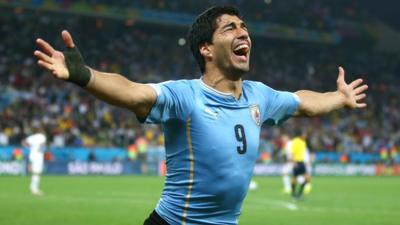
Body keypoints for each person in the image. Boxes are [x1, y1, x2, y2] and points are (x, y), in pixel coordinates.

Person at [33, 5, 368, 225]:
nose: (244, 33)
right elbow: (133, 92)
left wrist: (340, 98)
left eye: (245, 27)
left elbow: (303, 102)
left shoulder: (260, 96)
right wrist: (84, 75)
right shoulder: (185, 96)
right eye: (230, 28)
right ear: (206, 49)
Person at [287, 131, 312, 199]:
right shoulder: (295, 141)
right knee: (294, 179)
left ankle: (298, 193)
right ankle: (294, 194)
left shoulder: (303, 142)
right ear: (301, 135)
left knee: (307, 179)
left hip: (302, 162)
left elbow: (302, 153)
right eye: (305, 134)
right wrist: (294, 162)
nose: (306, 136)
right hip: (297, 162)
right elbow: (292, 152)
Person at [22, 128, 47, 196]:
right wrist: (40, 149)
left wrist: (30, 148)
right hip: (38, 155)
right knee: (37, 172)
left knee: (35, 172)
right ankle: (34, 189)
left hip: (32, 154)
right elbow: (42, 145)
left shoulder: (31, 137)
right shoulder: (42, 137)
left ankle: (33, 187)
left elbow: (23, 142)